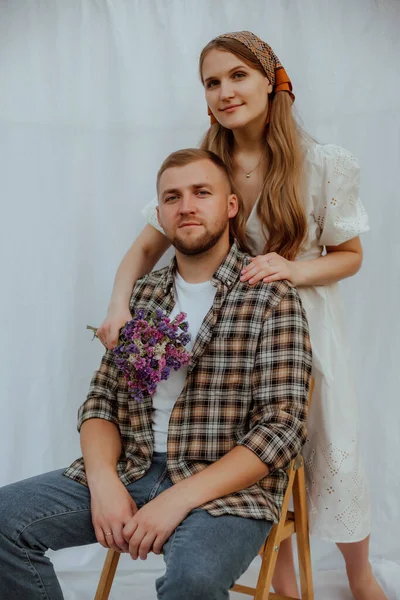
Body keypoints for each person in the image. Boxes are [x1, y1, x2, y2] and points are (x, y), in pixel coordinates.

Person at [96, 31, 387, 600]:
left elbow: (349, 258)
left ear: (271, 81)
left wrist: (289, 268)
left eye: (238, 76)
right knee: (243, 444)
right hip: (234, 329)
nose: (225, 91)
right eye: (212, 81)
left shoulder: (323, 162)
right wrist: (117, 307)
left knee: (332, 448)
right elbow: (144, 250)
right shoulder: (207, 168)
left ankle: (360, 574)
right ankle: (279, 579)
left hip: (304, 320)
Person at [0, 149, 312, 600]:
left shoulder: (270, 297)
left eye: (201, 193)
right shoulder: (142, 296)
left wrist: (179, 498)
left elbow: (282, 429)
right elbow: (101, 401)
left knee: (193, 579)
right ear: (160, 213)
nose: (186, 205)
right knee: (5, 521)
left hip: (223, 490)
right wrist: (104, 481)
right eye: (172, 197)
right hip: (133, 468)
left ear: (230, 205)